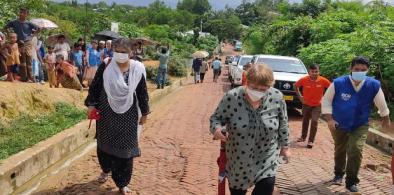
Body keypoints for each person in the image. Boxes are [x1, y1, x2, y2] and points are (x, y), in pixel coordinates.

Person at [210, 64, 290, 195]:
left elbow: (283, 124)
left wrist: (285, 148)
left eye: (263, 89)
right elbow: (216, 118)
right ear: (247, 82)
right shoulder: (232, 97)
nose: (258, 91)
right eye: (254, 87)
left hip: (267, 157)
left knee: (266, 188)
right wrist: (217, 129)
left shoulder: (276, 97)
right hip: (238, 158)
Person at [84, 38, 150, 195]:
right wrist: (92, 105)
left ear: (131, 52)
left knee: (126, 149)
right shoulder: (106, 65)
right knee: (104, 144)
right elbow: (96, 86)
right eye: (117, 51)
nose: (120, 54)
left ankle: (122, 183)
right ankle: (106, 169)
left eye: (124, 52)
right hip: (106, 112)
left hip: (129, 114)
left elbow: (142, 92)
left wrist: (145, 112)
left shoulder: (138, 69)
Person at [322, 56, 391, 192]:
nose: (359, 71)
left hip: (360, 124)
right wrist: (330, 119)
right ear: (351, 69)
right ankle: (338, 174)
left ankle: (352, 181)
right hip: (338, 123)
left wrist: (385, 118)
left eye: (363, 70)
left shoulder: (373, 85)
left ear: (368, 70)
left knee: (356, 149)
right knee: (340, 149)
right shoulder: (338, 83)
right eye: (356, 69)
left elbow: (381, 103)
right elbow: (326, 101)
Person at [294, 64, 331, 148]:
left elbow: (331, 88)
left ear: (319, 71)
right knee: (305, 121)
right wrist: (300, 97)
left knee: (314, 121)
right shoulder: (304, 79)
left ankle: (311, 141)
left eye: (316, 71)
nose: (314, 73)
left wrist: (325, 98)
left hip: (317, 105)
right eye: (312, 71)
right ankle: (303, 137)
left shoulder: (323, 80)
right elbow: (295, 86)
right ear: (309, 72)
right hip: (306, 104)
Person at [4, 8, 39, 82]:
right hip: (19, 43)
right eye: (20, 12)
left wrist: (32, 36)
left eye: (23, 13)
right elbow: (6, 27)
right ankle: (24, 78)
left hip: (28, 42)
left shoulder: (29, 23)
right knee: (22, 60)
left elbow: (38, 28)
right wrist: (9, 35)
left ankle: (31, 77)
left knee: (28, 59)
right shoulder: (14, 22)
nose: (21, 14)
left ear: (27, 14)